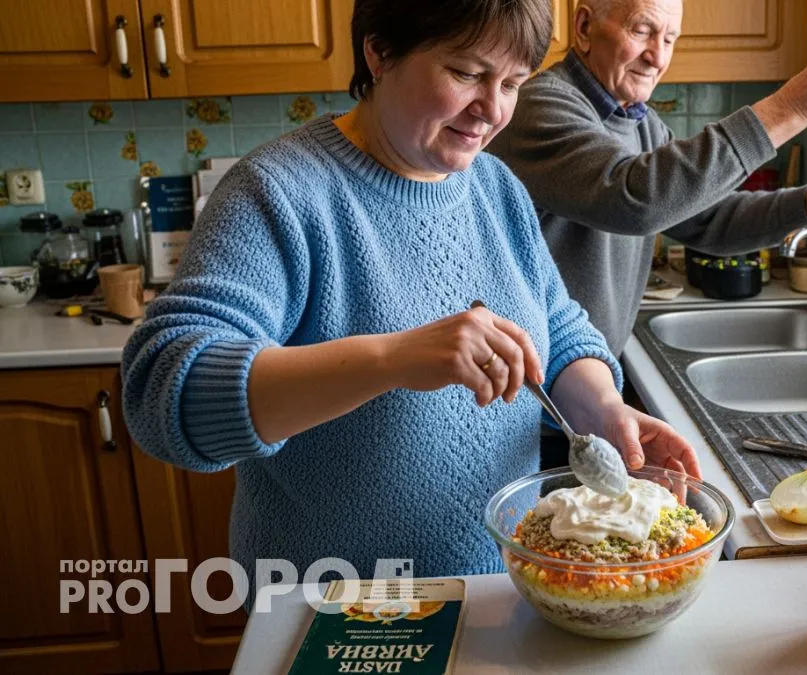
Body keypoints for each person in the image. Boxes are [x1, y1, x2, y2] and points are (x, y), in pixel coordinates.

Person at [120, 0, 700, 596]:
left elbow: (555, 327)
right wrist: (392, 359)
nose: (493, 110)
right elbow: (165, 397)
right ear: (379, 50)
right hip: (335, 606)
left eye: (513, 83)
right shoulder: (279, 192)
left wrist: (601, 407)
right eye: (468, 74)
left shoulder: (494, 185)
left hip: (499, 593)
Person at [489, 0, 807, 357]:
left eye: (669, 39)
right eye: (642, 30)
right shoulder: (539, 105)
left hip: (577, 387)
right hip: (526, 395)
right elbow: (636, 199)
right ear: (583, 28)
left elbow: (708, 218)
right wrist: (790, 108)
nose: (657, 57)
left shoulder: (640, 123)